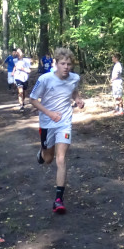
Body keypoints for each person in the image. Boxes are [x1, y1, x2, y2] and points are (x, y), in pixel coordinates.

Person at [29, 47, 85, 214]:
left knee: (61, 159)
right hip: (47, 123)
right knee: (48, 159)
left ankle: (58, 200)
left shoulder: (75, 78)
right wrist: (50, 113)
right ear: (56, 64)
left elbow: (73, 92)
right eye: (62, 63)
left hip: (64, 123)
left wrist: (78, 100)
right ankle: (42, 153)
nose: (66, 67)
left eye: (69, 64)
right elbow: (32, 99)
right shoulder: (45, 79)